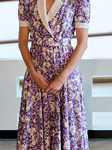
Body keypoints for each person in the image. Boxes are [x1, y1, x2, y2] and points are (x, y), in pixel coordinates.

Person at [16, 0, 91, 149]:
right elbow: (22, 42)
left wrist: (62, 78)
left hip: (66, 76)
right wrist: (34, 74)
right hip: (36, 76)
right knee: (34, 127)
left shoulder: (79, 1)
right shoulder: (27, 1)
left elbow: (83, 43)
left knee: (67, 126)